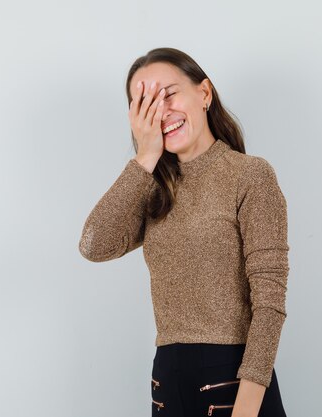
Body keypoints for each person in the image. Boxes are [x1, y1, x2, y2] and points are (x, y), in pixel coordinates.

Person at [78, 47, 289, 417]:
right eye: (144, 103)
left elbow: (269, 303)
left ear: (204, 94)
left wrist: (247, 407)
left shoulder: (250, 176)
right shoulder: (154, 190)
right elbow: (94, 246)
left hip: (235, 385)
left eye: (169, 94)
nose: (160, 111)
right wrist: (144, 159)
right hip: (168, 383)